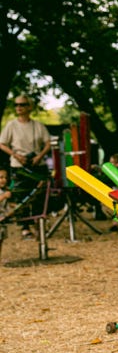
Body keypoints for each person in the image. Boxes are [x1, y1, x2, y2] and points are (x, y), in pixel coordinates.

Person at [0, 95, 51, 240]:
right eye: (16, 105)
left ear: (29, 107)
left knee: (39, 196)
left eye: (22, 105)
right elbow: (2, 143)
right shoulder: (11, 125)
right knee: (21, 196)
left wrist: (39, 156)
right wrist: (16, 155)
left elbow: (48, 143)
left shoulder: (38, 125)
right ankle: (25, 228)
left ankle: (39, 225)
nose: (19, 108)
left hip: (37, 165)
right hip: (18, 165)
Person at [0, 166, 11, 260]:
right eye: (1, 177)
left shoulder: (4, 191)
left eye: (5, 178)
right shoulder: (3, 194)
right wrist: (3, 197)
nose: (4, 180)